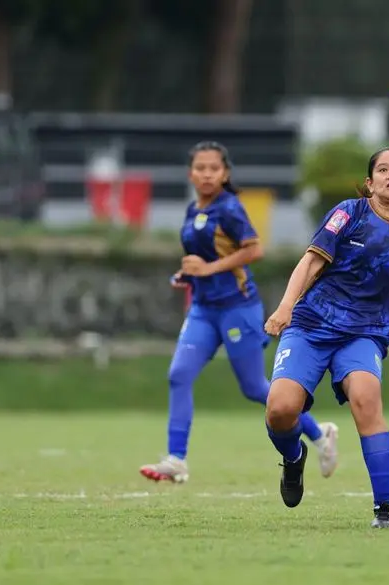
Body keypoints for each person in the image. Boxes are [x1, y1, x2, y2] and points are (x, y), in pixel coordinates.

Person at [261, 146, 389, 528]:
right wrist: (285, 307)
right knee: (281, 410)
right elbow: (311, 261)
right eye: (383, 169)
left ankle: (385, 508)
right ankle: (295, 457)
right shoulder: (349, 212)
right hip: (311, 326)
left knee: (366, 399)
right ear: (370, 182)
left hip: (364, 334)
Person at [140, 141, 338, 484]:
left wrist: (208, 269)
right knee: (178, 375)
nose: (206, 174)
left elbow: (254, 250)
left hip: (237, 308)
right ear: (190, 173)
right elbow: (200, 259)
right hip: (203, 309)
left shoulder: (230, 208)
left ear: (225, 173)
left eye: (213, 168)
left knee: (254, 388)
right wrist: (187, 273)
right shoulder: (193, 210)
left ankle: (319, 435)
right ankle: (176, 460)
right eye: (200, 168)